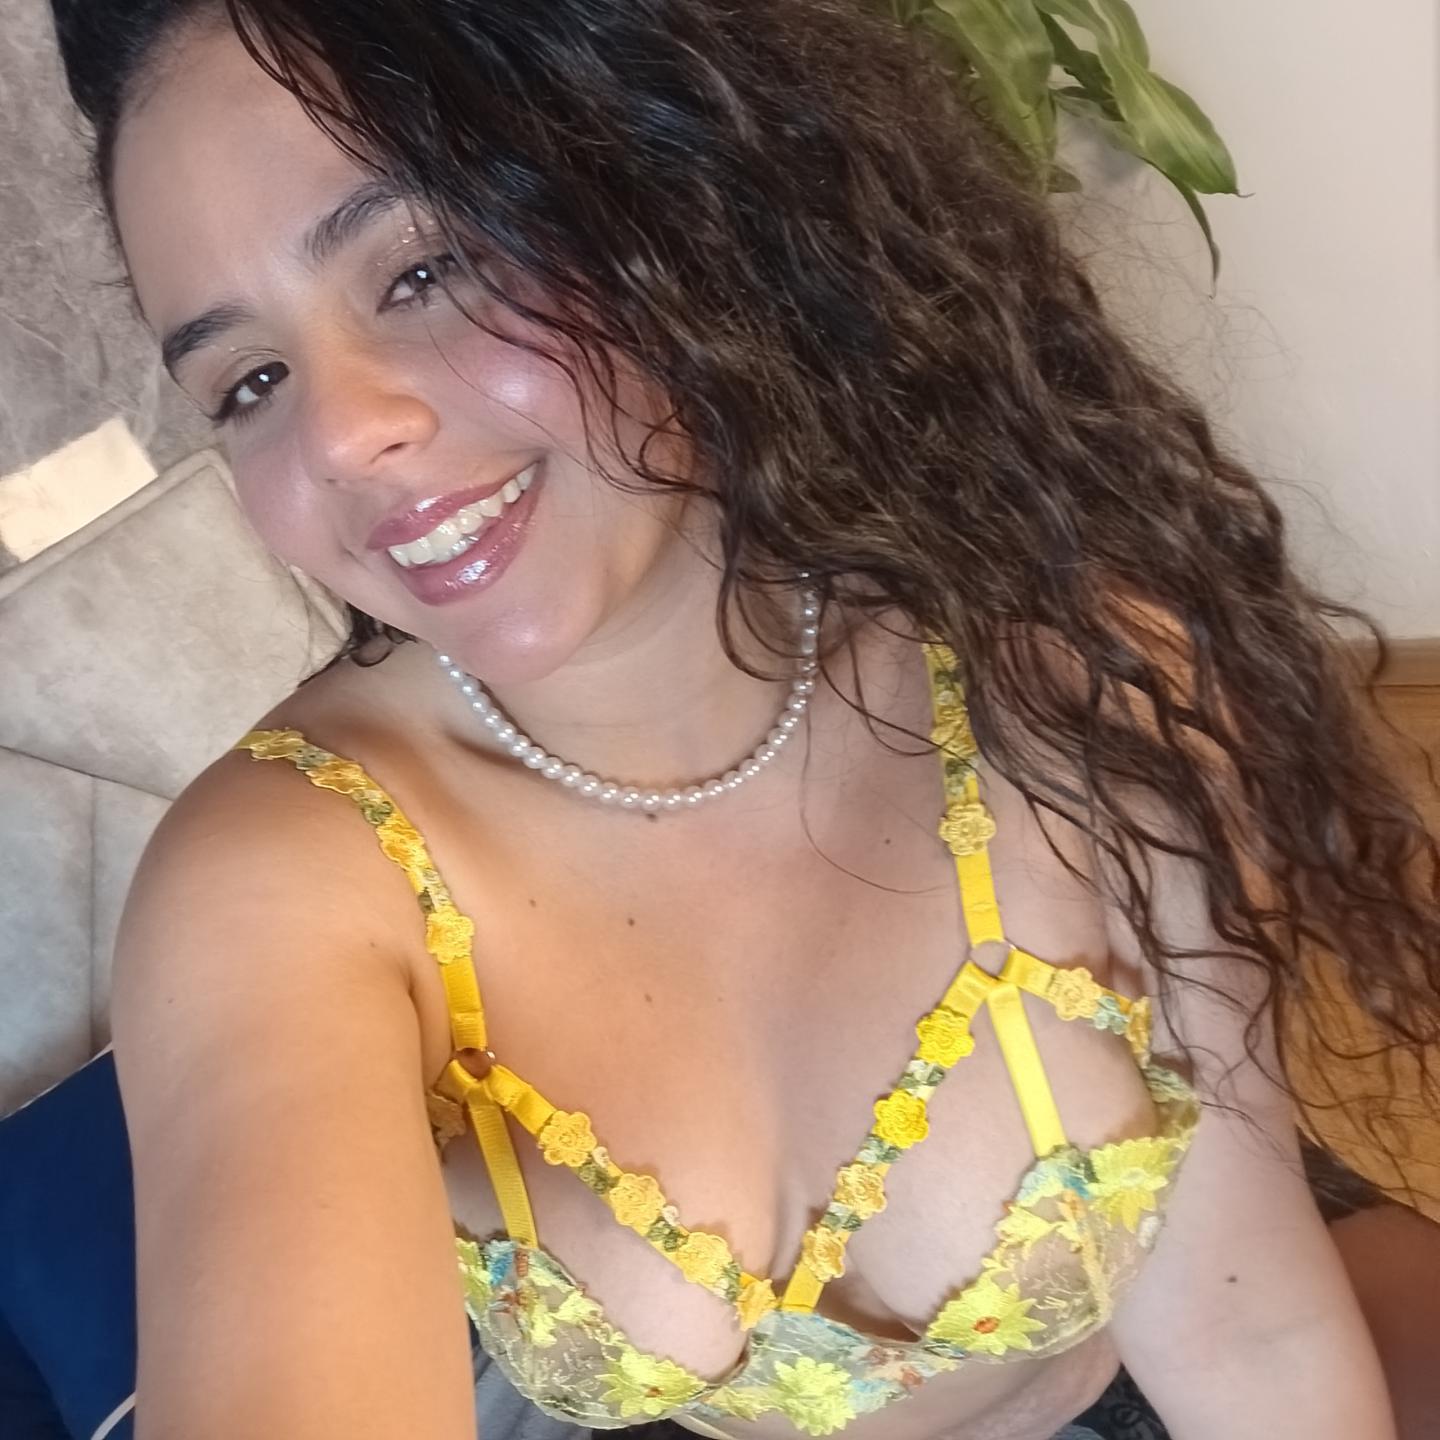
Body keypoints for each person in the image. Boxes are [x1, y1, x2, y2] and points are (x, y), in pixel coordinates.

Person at [46, 1, 1440, 1437]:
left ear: (673, 185)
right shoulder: (286, 882)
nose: (344, 435)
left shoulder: (1074, 685)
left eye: (424, 269)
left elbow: (1252, 1331)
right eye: (250, 383)